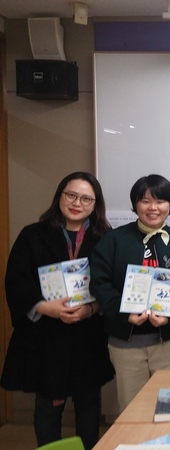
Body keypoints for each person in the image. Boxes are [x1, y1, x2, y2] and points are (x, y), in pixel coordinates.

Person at [0, 172, 114, 449]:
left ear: (95, 204)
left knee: (89, 404)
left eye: (86, 198)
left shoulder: (106, 238)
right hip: (47, 335)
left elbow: (114, 282)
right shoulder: (33, 234)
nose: (77, 203)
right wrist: (44, 307)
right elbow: (15, 281)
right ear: (60, 196)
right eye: (71, 195)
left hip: (88, 334)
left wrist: (93, 308)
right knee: (49, 404)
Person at [90, 174, 170, 412]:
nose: (153, 208)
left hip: (168, 342)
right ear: (135, 204)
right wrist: (124, 313)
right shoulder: (114, 240)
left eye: (160, 201)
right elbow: (99, 284)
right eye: (145, 201)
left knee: (168, 408)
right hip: (125, 344)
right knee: (132, 410)